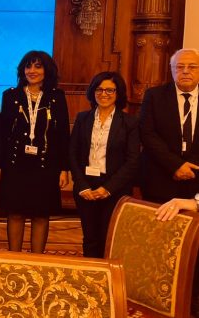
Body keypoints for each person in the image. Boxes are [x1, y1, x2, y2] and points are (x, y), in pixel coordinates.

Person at [0, 50, 69, 254]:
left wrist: (64, 169)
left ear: (47, 70)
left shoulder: (57, 97)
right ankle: (14, 258)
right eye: (28, 66)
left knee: (41, 214)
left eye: (38, 66)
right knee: (15, 213)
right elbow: (3, 133)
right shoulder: (11, 95)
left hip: (46, 165)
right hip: (15, 164)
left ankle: (37, 261)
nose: (32, 70)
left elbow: (63, 135)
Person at [69, 72, 139, 258]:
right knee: (90, 237)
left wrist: (108, 189)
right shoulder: (83, 118)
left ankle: (107, 273)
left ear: (118, 93)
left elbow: (132, 161)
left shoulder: (129, 122)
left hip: (115, 188)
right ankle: (90, 272)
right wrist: (81, 185)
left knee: (109, 237)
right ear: (93, 92)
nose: (104, 94)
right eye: (99, 89)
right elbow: (73, 153)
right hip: (86, 186)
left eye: (110, 90)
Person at [140, 48, 199, 203]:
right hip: (160, 178)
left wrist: (191, 166)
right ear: (171, 70)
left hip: (196, 179)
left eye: (192, 67)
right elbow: (147, 133)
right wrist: (176, 165)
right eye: (179, 66)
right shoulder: (154, 96)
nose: (185, 71)